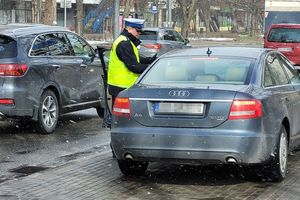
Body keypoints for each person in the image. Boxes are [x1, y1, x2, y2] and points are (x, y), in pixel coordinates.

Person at [108, 18, 157, 107]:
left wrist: (150, 60)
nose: (139, 33)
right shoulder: (124, 43)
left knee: (121, 116)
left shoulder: (125, 40)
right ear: (129, 29)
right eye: (138, 31)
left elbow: (134, 58)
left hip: (119, 85)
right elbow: (133, 66)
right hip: (122, 87)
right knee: (123, 117)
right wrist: (151, 69)